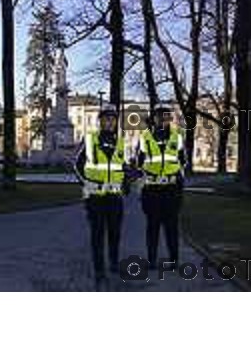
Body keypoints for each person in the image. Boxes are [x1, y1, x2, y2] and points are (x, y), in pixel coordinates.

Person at [74, 103, 128, 285]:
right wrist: (86, 184)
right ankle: (99, 270)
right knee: (97, 235)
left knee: (115, 233)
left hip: (115, 197)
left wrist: (127, 180)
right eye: (106, 119)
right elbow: (77, 165)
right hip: (95, 198)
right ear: (100, 121)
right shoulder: (90, 140)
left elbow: (121, 167)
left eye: (113, 119)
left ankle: (113, 262)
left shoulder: (120, 143)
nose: (110, 122)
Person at [135, 104, 186, 269]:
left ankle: (174, 260)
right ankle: (151, 259)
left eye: (166, 115)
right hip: (152, 191)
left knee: (172, 227)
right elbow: (139, 163)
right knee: (152, 227)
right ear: (154, 118)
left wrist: (179, 187)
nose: (162, 119)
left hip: (171, 190)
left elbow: (183, 162)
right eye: (159, 116)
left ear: (169, 118)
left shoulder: (177, 137)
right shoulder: (145, 138)